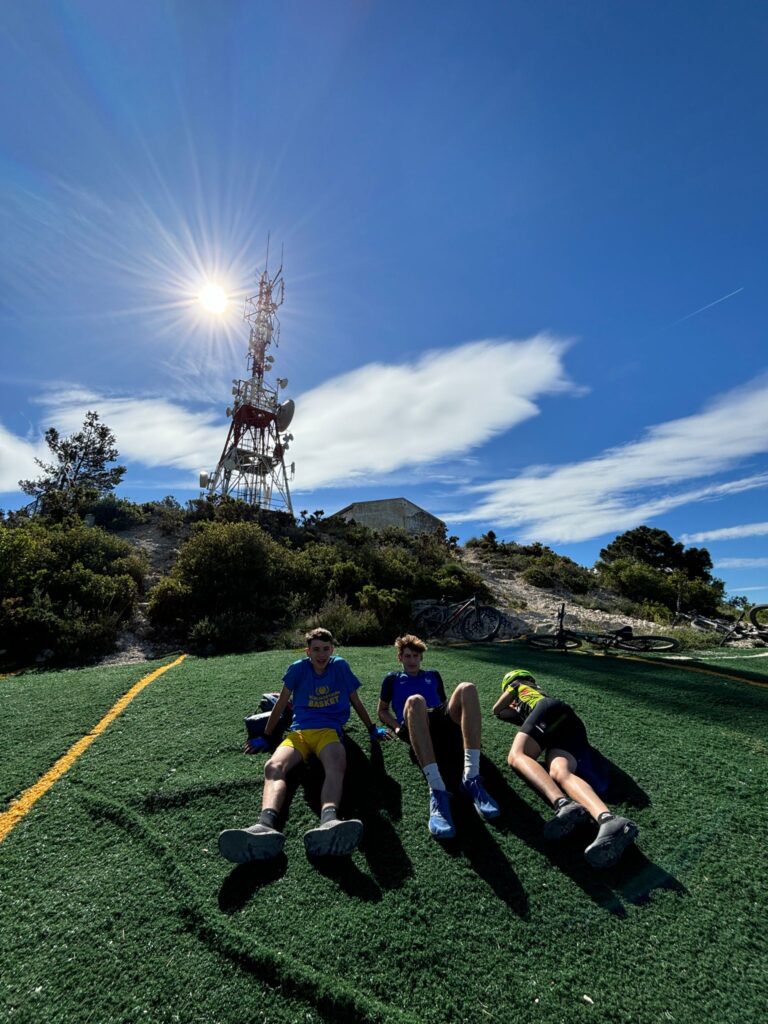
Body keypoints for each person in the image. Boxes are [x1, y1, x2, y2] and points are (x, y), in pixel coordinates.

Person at [219, 628, 388, 863]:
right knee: (273, 767)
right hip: (299, 733)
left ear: (332, 649)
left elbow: (355, 700)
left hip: (328, 731)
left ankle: (329, 820)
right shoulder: (298, 668)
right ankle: (264, 826)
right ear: (308, 651)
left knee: (336, 763)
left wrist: (371, 728)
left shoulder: (340, 666)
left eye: (326, 649)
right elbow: (281, 703)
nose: (321, 654)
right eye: (316, 650)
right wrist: (267, 736)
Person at [492, 668, 638, 867]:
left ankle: (563, 803)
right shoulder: (531, 698)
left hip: (548, 711)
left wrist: (508, 699)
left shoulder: (517, 685)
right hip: (567, 723)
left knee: (517, 755)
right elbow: (510, 714)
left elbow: (498, 710)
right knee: (560, 772)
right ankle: (608, 820)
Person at [377, 634, 500, 839]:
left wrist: (467, 730)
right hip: (415, 721)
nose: (412, 660)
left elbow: (444, 705)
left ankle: (471, 778)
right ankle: (437, 788)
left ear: (421, 657)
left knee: (467, 688)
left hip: (439, 720)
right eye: (407, 656)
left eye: (416, 656)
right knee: (416, 700)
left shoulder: (433, 675)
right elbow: (382, 710)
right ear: (400, 657)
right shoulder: (392, 679)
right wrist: (396, 727)